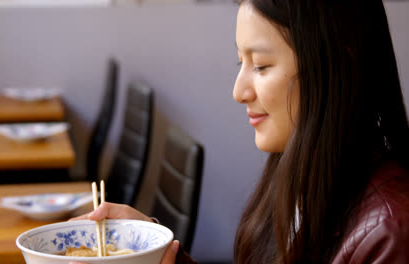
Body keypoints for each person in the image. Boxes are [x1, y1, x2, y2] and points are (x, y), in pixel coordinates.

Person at [70, 0, 409, 263]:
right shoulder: (303, 175)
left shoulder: (390, 233)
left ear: (339, 67)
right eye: (240, 63)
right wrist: (159, 252)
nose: (238, 91)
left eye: (260, 66)